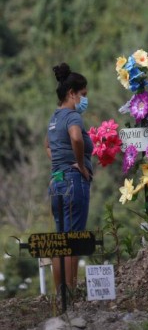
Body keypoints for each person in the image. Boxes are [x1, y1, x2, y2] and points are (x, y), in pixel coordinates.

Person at [45, 62, 93, 294]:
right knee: (73, 241)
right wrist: (81, 165)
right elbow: (76, 138)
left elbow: (47, 145)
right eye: (83, 94)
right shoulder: (72, 116)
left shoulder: (54, 119)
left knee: (59, 241)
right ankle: (72, 296)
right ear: (71, 93)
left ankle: (60, 296)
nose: (85, 99)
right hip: (74, 181)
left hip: (56, 182)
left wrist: (59, 165)